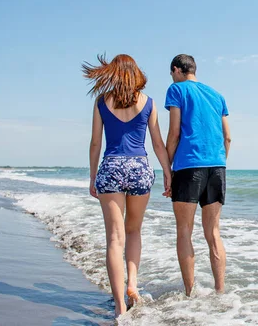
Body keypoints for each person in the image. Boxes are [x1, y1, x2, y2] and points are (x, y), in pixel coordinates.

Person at [83, 54, 172, 317]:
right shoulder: (149, 103)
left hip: (111, 166)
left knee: (114, 238)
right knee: (134, 231)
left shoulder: (102, 101)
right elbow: (157, 143)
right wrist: (167, 172)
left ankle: (120, 306)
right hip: (139, 167)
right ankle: (132, 284)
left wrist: (92, 176)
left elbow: (96, 143)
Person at [165, 54, 231, 296]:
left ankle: (190, 294)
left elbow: (174, 133)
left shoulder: (176, 90)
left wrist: (167, 168)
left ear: (176, 70)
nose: (172, 77)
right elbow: (227, 137)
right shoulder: (217, 95)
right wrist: (219, 162)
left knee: (184, 230)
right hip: (217, 166)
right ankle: (220, 292)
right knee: (214, 233)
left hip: (188, 166)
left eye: (172, 73)